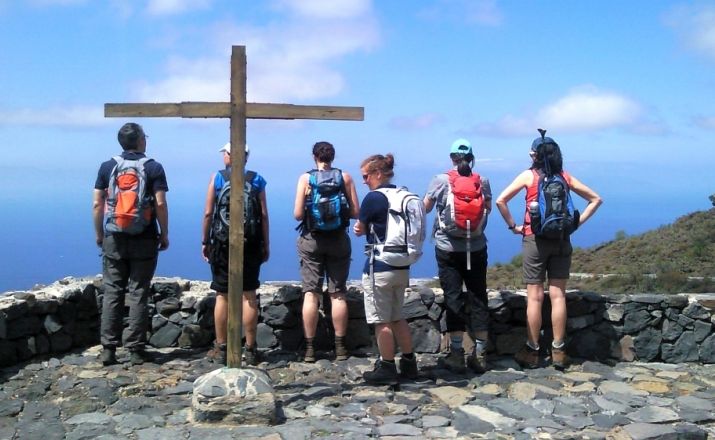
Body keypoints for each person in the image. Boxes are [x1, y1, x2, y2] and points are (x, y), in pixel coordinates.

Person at [495, 132, 602, 369]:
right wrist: (576, 224)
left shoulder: (529, 176)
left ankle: (532, 351)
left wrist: (514, 226)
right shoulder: (565, 177)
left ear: (535, 155)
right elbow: (596, 199)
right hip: (562, 239)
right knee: (558, 296)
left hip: (534, 239)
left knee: (534, 297)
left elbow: (501, 200)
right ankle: (559, 351)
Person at [93, 122, 169, 366]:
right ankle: (135, 349)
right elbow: (160, 204)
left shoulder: (107, 167)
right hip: (144, 237)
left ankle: (108, 349)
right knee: (138, 292)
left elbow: (97, 204)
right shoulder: (154, 167)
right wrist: (164, 233)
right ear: (141, 141)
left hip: (114, 236)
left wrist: (99, 234)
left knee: (113, 291)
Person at [423, 139, 491, 374]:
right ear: (472, 157)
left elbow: (426, 208)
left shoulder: (441, 180)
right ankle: (480, 353)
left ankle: (455, 353)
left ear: (452, 157)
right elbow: (487, 209)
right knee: (478, 295)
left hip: (448, 248)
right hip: (476, 247)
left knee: (453, 298)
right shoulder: (482, 181)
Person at [202, 143, 270, 366]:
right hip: (250, 243)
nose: (224, 157)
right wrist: (265, 244)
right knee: (249, 294)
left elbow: (208, 212)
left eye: (225, 153)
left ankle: (221, 346)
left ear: (231, 156)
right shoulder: (257, 179)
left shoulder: (218, 178)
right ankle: (250, 348)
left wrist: (205, 241)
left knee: (222, 294)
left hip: (222, 243)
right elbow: (263, 214)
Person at [354, 153, 418, 385]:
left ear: (377, 174)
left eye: (365, 176)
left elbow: (360, 226)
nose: (364, 181)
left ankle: (387, 366)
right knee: (398, 316)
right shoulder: (402, 194)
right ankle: (409, 363)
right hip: (402, 264)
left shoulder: (374, 198)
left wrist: (360, 229)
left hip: (379, 266)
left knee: (381, 320)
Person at [294, 141, 360, 362]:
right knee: (338, 293)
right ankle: (340, 347)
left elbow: (296, 214)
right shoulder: (345, 177)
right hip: (339, 239)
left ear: (314, 156)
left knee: (311, 293)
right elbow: (355, 211)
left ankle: (310, 348)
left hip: (312, 239)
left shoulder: (306, 179)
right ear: (333, 157)